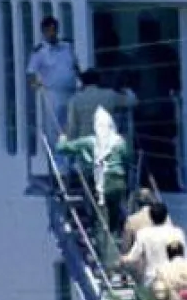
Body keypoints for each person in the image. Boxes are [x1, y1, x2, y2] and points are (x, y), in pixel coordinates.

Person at [56, 107, 133, 268]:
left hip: (100, 184)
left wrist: (62, 138)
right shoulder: (119, 141)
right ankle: (120, 252)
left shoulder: (90, 141)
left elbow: (62, 149)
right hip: (119, 183)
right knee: (115, 219)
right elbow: (128, 158)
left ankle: (108, 262)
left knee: (100, 222)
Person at [26, 16, 79, 154]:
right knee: (54, 128)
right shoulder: (40, 51)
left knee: (72, 126)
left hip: (71, 91)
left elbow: (74, 66)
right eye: (48, 31)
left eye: (54, 30)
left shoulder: (67, 47)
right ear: (43, 32)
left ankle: (72, 160)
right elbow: (31, 72)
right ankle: (57, 163)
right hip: (53, 93)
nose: (52, 33)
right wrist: (34, 84)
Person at [121, 201, 187, 287]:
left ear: (150, 217)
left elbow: (133, 257)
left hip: (152, 278)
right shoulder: (178, 232)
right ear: (166, 216)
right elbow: (185, 257)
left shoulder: (143, 234)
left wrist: (123, 259)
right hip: (173, 277)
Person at [67, 68, 137, 139]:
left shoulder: (75, 100)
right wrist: (125, 89)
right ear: (99, 80)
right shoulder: (109, 95)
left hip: (85, 142)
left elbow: (72, 128)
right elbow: (132, 101)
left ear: (83, 82)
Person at [121, 187, 162, 256]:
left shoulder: (131, 220)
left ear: (137, 203)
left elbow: (125, 249)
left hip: (139, 261)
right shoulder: (163, 218)